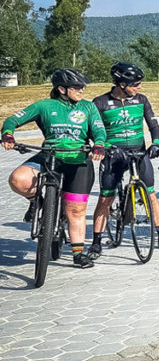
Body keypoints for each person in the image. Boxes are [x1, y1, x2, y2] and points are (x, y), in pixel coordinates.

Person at [3, 69, 107, 268]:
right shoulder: (45, 106)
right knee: (18, 179)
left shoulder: (88, 107)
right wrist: (8, 134)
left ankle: (78, 253)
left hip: (78, 161)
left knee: (75, 209)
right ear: (61, 89)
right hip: (49, 156)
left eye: (82, 86)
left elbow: (99, 130)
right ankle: (37, 202)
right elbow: (12, 120)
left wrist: (99, 144)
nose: (81, 90)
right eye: (76, 87)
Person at [89, 62, 159, 259]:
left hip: (138, 153)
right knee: (106, 198)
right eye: (135, 84)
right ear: (121, 83)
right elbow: (93, 131)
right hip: (113, 155)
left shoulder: (141, 100)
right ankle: (96, 242)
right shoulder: (100, 103)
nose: (139, 87)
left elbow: (154, 126)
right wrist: (104, 147)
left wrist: (156, 143)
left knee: (151, 194)